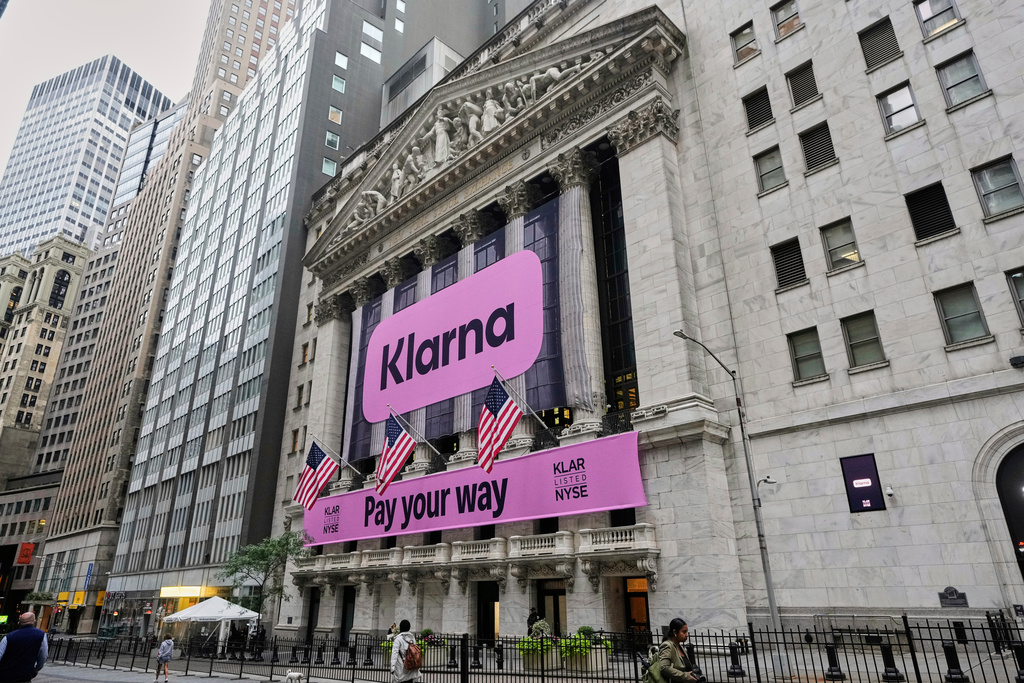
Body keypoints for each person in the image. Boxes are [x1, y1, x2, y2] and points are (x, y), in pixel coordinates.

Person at [649, 618, 703, 683]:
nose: (687, 635)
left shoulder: (680, 647)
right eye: (684, 632)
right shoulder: (667, 645)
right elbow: (664, 667)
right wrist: (685, 676)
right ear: (675, 632)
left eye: (687, 632)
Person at [0, 611, 48, 683]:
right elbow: (43, 656)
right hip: (24, 675)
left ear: (19, 622)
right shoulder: (41, 635)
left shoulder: (9, 636)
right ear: (34, 621)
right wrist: (37, 669)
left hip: (5, 675)